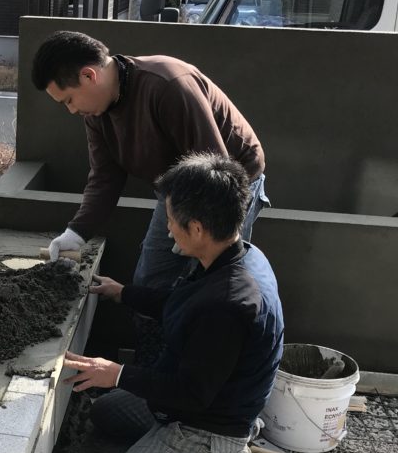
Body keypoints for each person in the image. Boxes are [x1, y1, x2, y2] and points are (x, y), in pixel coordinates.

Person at [62, 153, 283, 453]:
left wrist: (117, 373)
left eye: (170, 219)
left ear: (196, 228)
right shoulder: (235, 255)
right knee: (104, 413)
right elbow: (180, 301)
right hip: (197, 397)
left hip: (206, 426)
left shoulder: (229, 304)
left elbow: (191, 393)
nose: (166, 227)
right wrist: (124, 292)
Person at [31, 30, 269, 288]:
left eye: (69, 100)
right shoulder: (96, 113)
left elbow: (217, 170)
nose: (72, 110)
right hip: (176, 189)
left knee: (214, 282)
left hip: (228, 187)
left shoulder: (168, 85)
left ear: (89, 75)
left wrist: (194, 229)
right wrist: (76, 233)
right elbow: (105, 177)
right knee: (151, 281)